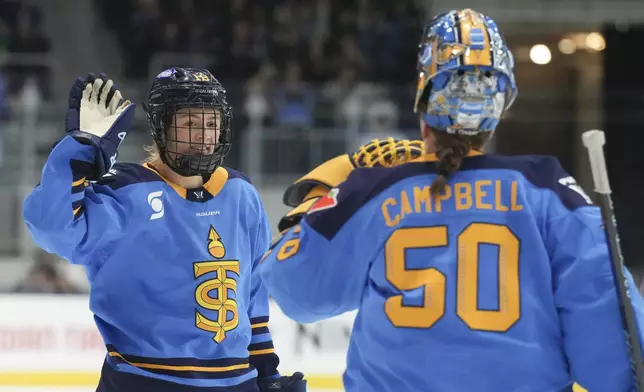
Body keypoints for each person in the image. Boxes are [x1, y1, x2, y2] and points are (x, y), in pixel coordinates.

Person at [259, 9, 644, 392]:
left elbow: (295, 291)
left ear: (425, 100)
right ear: (498, 110)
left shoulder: (373, 189)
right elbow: (617, 358)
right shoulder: (550, 191)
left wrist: (322, 193)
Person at [23, 68, 306, 392]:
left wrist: (266, 375)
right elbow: (51, 228)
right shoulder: (123, 194)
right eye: (191, 124)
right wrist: (81, 152)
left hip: (235, 383)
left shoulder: (241, 194)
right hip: (143, 381)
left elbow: (253, 299)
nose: (204, 135)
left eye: (212, 124)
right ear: (162, 127)